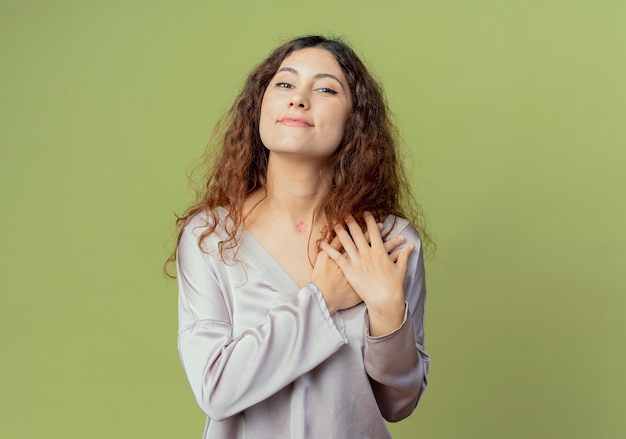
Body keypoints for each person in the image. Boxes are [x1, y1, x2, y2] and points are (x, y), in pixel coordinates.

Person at [170, 35, 431, 439]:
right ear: (261, 104)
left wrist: (387, 314)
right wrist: (322, 299)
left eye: (325, 88)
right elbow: (216, 388)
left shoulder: (389, 240)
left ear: (354, 119)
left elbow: (399, 403)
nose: (299, 99)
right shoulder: (210, 238)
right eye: (285, 84)